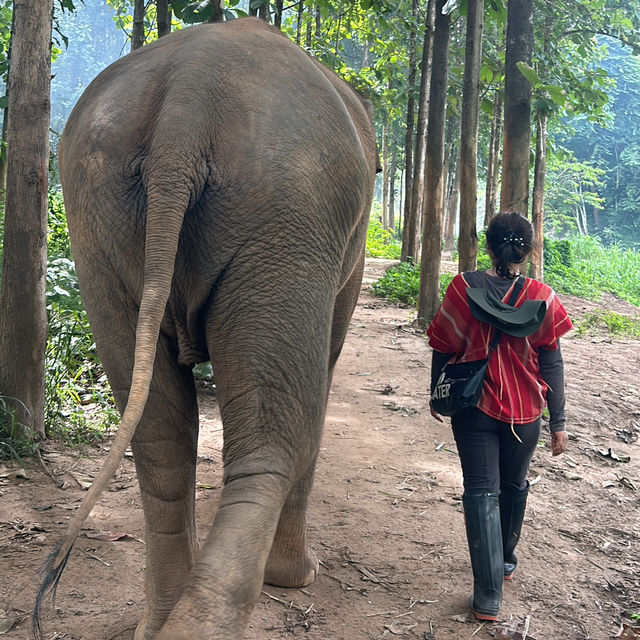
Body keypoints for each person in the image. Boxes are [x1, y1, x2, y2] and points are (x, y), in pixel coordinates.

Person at [426, 212, 573, 621]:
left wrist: (437, 392)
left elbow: (442, 341)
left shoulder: (463, 288)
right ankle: (506, 558)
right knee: (512, 484)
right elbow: (552, 363)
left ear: (487, 246)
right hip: (526, 411)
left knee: (480, 489)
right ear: (528, 251)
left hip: (473, 407)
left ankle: (488, 594)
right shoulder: (543, 298)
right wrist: (558, 421)